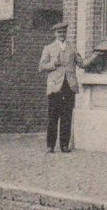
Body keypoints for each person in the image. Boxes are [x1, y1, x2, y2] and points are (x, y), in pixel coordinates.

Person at [38, 21, 95, 153]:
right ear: (55, 34)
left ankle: (64, 145)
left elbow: (82, 64)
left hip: (69, 86)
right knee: (53, 117)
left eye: (64, 32)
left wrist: (93, 58)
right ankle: (50, 145)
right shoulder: (49, 48)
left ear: (66, 33)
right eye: (59, 32)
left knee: (66, 116)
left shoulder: (72, 48)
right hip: (55, 87)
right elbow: (41, 67)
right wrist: (53, 63)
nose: (62, 34)